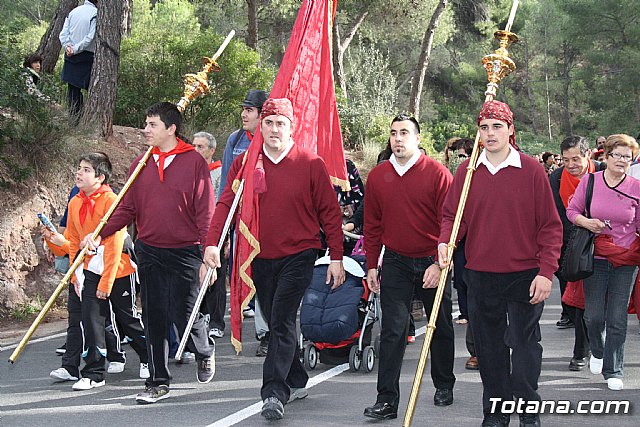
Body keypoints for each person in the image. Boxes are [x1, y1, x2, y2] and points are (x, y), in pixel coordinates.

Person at [203, 97, 345, 421]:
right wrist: (212, 243)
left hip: (300, 253)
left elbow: (330, 213)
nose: (274, 129)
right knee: (274, 318)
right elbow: (225, 204)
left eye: (280, 123)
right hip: (259, 255)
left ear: (292, 127)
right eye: (268, 123)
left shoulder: (310, 163)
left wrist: (336, 256)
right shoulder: (245, 163)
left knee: (280, 319)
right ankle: (297, 377)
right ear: (260, 127)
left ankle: (273, 393)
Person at [438, 100, 562, 427]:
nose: (490, 133)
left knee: (524, 349)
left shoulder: (531, 170)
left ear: (510, 130)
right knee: (489, 351)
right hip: (480, 275)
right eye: (484, 127)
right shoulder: (467, 172)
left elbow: (550, 226)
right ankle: (496, 414)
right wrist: (445, 242)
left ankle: (528, 411)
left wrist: (546, 272)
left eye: (497, 126)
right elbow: (454, 216)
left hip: (525, 275)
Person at [88, 102, 216, 404]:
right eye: (145, 124)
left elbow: (205, 211)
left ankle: (204, 350)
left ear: (171, 129)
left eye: (152, 125)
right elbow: (127, 208)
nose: (145, 130)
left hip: (185, 251)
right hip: (149, 250)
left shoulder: (193, 162)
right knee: (154, 315)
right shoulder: (140, 163)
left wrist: (207, 251)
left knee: (184, 312)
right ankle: (158, 381)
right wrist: (99, 232)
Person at [362, 114, 455, 421]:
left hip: (432, 260)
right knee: (393, 330)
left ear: (418, 138)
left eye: (404, 133)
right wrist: (371, 266)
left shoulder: (438, 174)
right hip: (395, 261)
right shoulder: (378, 176)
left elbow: (451, 222)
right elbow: (372, 225)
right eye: (393, 133)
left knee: (439, 325)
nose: (398, 138)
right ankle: (386, 400)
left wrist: (440, 264)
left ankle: (444, 385)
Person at [46, 152, 147, 390]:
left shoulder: (111, 200)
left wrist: (106, 283)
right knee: (88, 321)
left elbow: (114, 244)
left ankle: (148, 357)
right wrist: (71, 267)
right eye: (79, 168)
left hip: (117, 270)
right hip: (89, 270)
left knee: (127, 320)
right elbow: (73, 243)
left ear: (100, 177)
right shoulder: (75, 202)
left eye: (86, 170)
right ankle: (90, 372)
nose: (79, 173)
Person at [566, 134, 640, 391]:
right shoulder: (590, 182)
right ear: (606, 156)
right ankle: (597, 350)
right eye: (617, 155)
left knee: (617, 317)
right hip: (595, 257)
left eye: (627, 157)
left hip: (626, 258)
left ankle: (614, 369)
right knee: (594, 316)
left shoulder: (636, 187)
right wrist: (587, 223)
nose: (621, 160)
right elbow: (572, 211)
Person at [217, 89, 271, 356]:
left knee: (267, 278)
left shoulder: (272, 140)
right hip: (242, 223)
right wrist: (222, 228)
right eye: (243, 109)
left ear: (262, 115)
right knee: (250, 275)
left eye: (249, 110)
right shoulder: (235, 140)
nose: (243, 114)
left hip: (268, 222)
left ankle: (271, 331)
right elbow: (227, 184)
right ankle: (264, 332)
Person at [550, 136, 605, 371]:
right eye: (566, 160)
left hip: (604, 247)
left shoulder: (603, 172)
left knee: (598, 306)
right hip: (570, 251)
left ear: (588, 154)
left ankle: (593, 349)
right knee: (576, 303)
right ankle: (583, 349)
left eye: (576, 159)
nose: (571, 165)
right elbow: (554, 216)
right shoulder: (556, 178)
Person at [193, 131, 226, 339]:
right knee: (196, 277)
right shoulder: (189, 171)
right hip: (192, 234)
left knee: (216, 278)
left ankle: (216, 321)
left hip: (215, 232)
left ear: (212, 150)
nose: (196, 150)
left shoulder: (220, 173)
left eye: (201, 147)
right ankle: (200, 318)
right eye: (194, 146)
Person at [58, 0, 97, 122]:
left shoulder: (73, 12)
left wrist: (68, 47)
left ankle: (74, 120)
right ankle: (85, 121)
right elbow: (90, 37)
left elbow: (63, 34)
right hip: (86, 56)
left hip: (70, 55)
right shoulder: (95, 13)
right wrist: (74, 49)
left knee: (73, 91)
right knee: (91, 89)